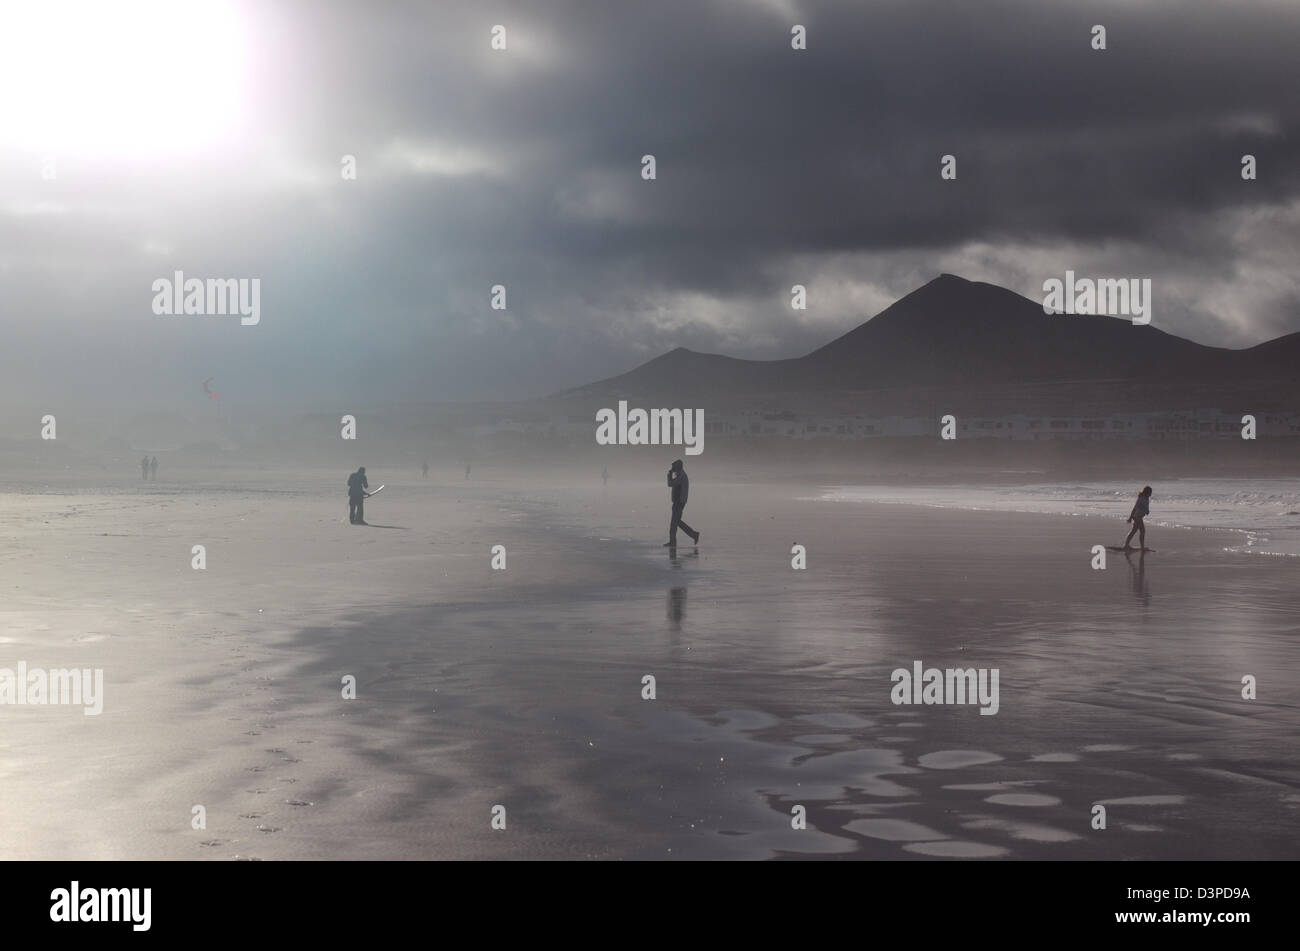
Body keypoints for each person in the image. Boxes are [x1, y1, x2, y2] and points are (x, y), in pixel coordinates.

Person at [664, 459, 700, 547]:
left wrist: (669, 475)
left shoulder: (681, 476)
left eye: (673, 467)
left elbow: (670, 484)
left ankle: (674, 541)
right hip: (679, 502)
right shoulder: (681, 475)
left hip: (679, 502)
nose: (672, 468)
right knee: (677, 522)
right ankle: (693, 534)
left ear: (677, 467)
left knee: (674, 523)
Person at [1123, 485, 1153, 550]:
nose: (1151, 494)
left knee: (1133, 531)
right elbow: (1135, 508)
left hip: (1139, 517)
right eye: (1150, 492)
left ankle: (1126, 545)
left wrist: (1147, 511)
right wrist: (1130, 517)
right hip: (1137, 517)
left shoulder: (1146, 498)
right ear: (1147, 492)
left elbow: (1145, 507)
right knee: (1142, 531)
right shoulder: (1141, 498)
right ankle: (1141, 547)